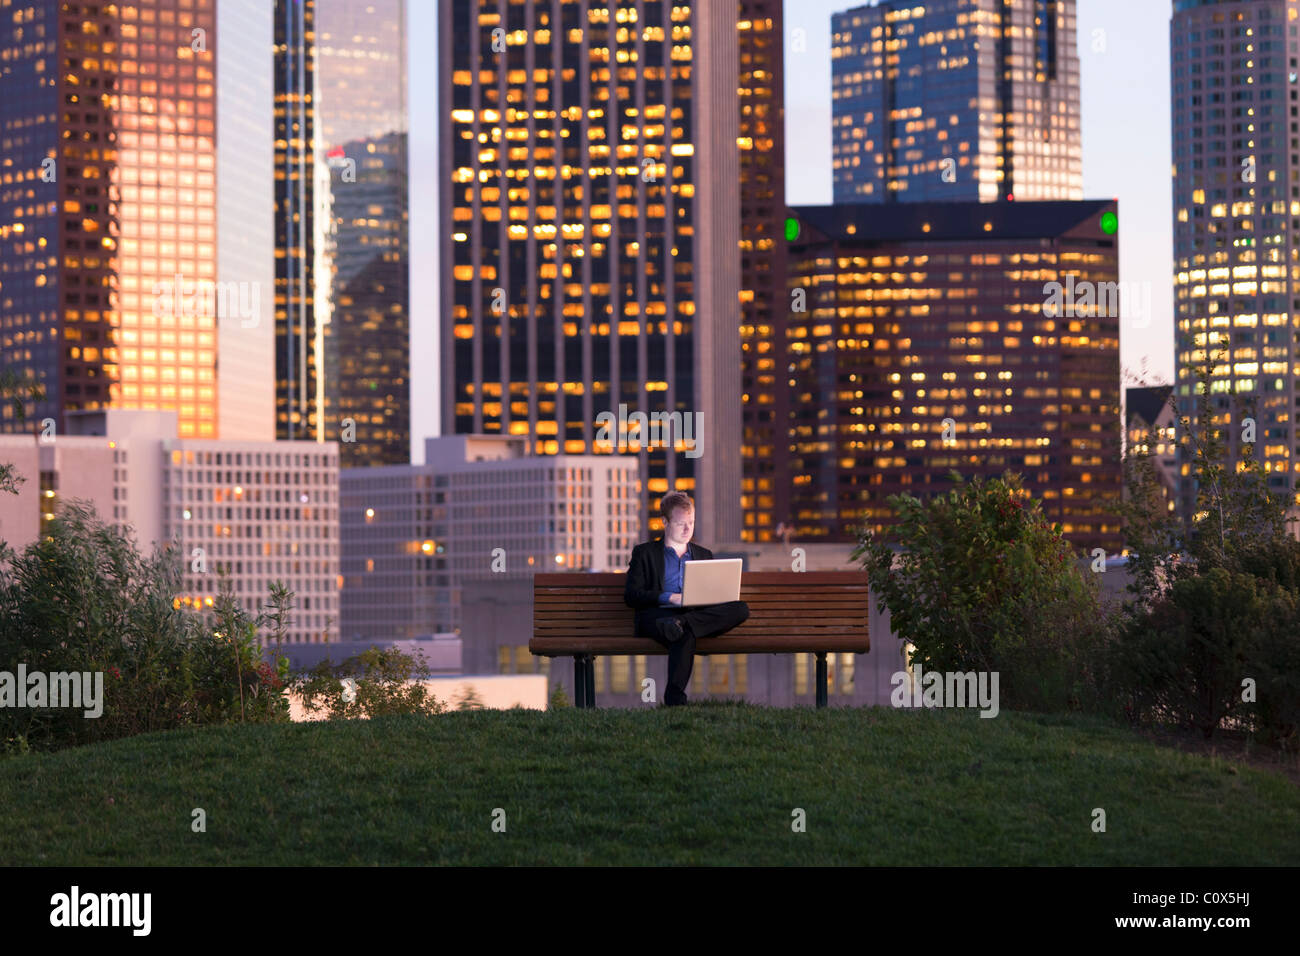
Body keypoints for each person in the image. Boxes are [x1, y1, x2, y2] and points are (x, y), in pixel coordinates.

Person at [623, 490, 749, 706]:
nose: (688, 528)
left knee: (740, 608)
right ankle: (675, 700)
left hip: (692, 615)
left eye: (691, 522)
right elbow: (632, 595)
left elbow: (713, 593)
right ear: (665, 521)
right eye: (681, 523)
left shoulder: (703, 554)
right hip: (657, 616)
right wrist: (669, 597)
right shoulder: (645, 553)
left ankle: (682, 624)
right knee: (684, 634)